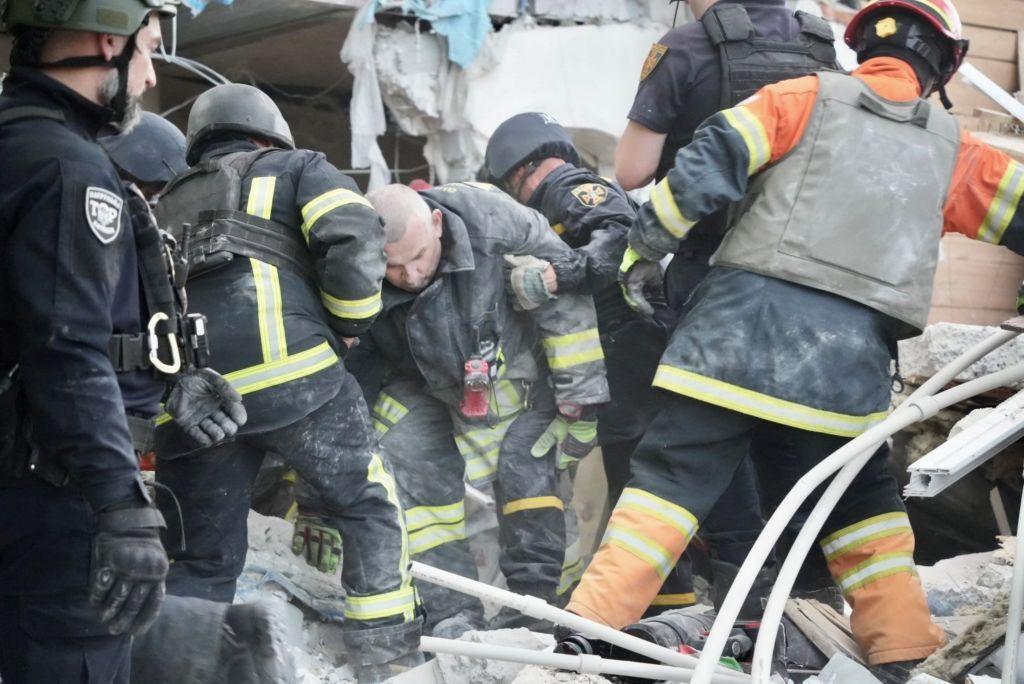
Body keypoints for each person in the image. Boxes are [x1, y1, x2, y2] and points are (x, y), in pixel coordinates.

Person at [567, 0, 1024, 680]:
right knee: (863, 507)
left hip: (724, 348)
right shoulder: (956, 150)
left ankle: (582, 631)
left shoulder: (797, 98)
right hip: (840, 377)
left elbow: (702, 165)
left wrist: (642, 252)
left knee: (665, 490)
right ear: (946, 67)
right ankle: (904, 650)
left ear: (859, 47)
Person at [0, 1, 245, 682]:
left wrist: (173, 378)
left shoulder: (21, 143)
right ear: (111, 41)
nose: (148, 77)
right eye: (148, 51)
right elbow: (64, 347)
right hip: (44, 492)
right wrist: (122, 510)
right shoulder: (64, 168)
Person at [151, 83, 421, 683]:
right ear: (271, 132)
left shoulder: (160, 203)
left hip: (193, 406)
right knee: (367, 504)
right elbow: (353, 235)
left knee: (199, 556)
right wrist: (350, 323)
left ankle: (186, 672)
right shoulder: (298, 168)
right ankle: (387, 662)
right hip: (294, 377)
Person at [483, 112, 770, 618]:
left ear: (518, 169)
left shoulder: (566, 187)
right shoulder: (548, 208)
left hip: (633, 357)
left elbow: (618, 234)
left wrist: (557, 274)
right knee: (637, 494)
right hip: (621, 370)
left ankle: (540, 600)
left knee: (629, 484)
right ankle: (668, 613)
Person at [353, 182, 609, 636]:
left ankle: (548, 608)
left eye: (418, 257)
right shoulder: (355, 259)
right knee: (404, 458)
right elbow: (356, 357)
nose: (411, 276)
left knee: (528, 475)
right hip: (428, 386)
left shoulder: (492, 221)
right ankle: (453, 612)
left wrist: (579, 403)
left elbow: (566, 297)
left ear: (437, 224)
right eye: (393, 267)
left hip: (524, 380)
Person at [101, 114, 289, 684]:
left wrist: (173, 382)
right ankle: (219, 643)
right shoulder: (80, 222)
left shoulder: (135, 239)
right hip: (63, 451)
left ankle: (219, 644)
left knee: (68, 605)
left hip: (82, 453)